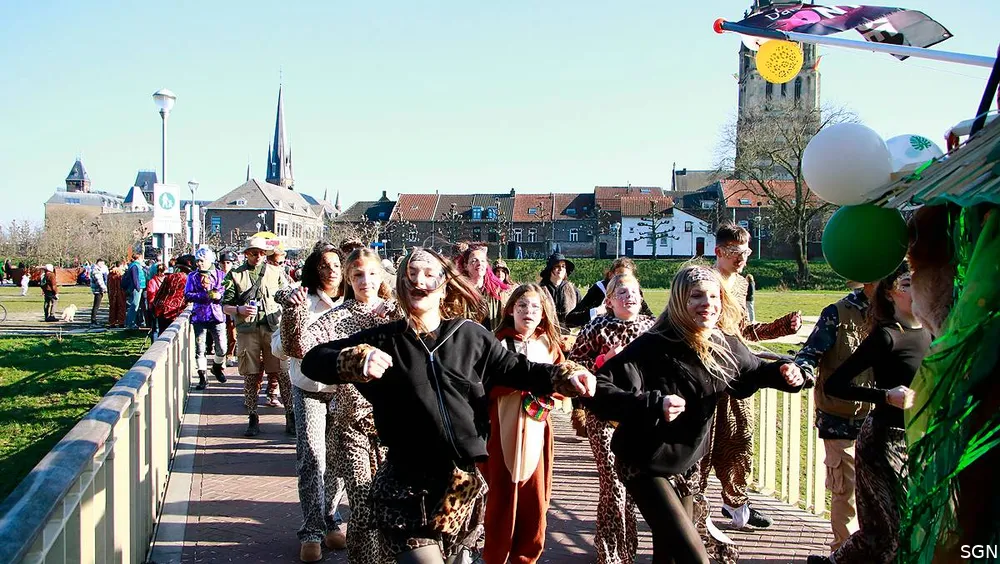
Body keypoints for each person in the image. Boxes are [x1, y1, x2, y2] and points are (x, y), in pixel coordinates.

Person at [299, 248, 596, 564]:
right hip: (405, 489)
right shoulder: (385, 340)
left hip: (460, 491)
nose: (419, 281)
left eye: (429, 275)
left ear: (443, 289)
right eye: (411, 275)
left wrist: (567, 375)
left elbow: (521, 370)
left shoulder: (470, 336)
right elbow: (313, 361)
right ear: (400, 288)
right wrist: (356, 359)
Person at [587, 265, 805, 563]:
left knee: (669, 556)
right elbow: (600, 387)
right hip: (644, 462)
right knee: (693, 557)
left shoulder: (723, 343)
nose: (707, 304)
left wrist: (786, 373)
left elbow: (754, 371)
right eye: (696, 296)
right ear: (680, 301)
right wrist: (653, 404)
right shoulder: (656, 344)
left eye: (714, 296)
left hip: (686, 465)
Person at [809, 264, 930, 564]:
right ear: (889, 293)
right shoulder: (887, 336)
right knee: (888, 531)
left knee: (913, 525)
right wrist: (885, 396)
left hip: (920, 439)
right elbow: (836, 384)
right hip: (884, 442)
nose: (915, 290)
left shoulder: (932, 332)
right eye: (906, 284)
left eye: (919, 282)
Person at [279, 246, 394, 563]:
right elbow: (298, 348)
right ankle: (339, 544)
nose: (366, 281)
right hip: (351, 423)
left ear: (381, 276)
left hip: (391, 426)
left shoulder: (396, 315)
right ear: (349, 278)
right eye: (358, 275)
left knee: (390, 501)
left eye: (372, 274)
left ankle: (381, 553)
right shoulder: (337, 317)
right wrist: (293, 312)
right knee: (362, 500)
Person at [702, 224, 802, 529]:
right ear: (719, 252)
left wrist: (780, 328)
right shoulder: (703, 281)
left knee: (740, 437)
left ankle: (736, 504)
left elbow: (743, 331)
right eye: (735, 252)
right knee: (701, 443)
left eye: (746, 252)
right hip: (705, 373)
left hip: (736, 373)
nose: (742, 258)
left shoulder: (743, 284)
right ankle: (690, 504)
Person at [569, 273, 655, 564]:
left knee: (630, 485)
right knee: (613, 484)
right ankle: (611, 554)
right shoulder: (596, 327)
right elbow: (574, 364)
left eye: (634, 292)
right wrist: (602, 361)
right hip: (603, 414)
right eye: (622, 292)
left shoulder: (651, 329)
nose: (629, 297)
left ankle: (626, 551)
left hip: (639, 416)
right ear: (609, 301)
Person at [481, 284, 563, 564]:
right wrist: (517, 384)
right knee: (501, 497)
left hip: (538, 430)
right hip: (502, 427)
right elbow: (482, 385)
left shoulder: (549, 345)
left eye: (535, 307)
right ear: (510, 310)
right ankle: (495, 555)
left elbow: (563, 383)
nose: (529, 312)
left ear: (544, 313)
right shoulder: (496, 343)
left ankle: (526, 557)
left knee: (535, 497)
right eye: (522, 306)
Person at [794, 280, 876, 551]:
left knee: (880, 493)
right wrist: (801, 373)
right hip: (840, 419)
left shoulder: (897, 314)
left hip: (881, 420)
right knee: (846, 491)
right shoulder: (837, 314)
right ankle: (844, 553)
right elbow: (809, 354)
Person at [223, 236, 291, 437]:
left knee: (282, 372)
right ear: (246, 254)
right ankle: (252, 417)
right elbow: (225, 306)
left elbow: (287, 294)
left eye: (262, 253)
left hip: (272, 328)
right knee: (250, 375)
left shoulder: (275, 272)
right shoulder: (235, 275)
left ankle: (290, 416)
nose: (258, 256)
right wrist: (239, 309)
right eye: (254, 253)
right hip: (247, 331)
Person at [565, 257, 654, 328]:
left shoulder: (633, 292)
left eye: (628, 277)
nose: (624, 281)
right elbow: (570, 320)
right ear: (611, 275)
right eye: (620, 276)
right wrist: (596, 311)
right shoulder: (599, 289)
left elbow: (650, 317)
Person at [185, 249, 229, 390]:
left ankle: (216, 367)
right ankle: (202, 377)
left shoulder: (221, 275)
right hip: (200, 316)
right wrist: (204, 296)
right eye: (197, 261)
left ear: (210, 260)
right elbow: (187, 294)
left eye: (202, 260)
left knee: (222, 347)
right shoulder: (192, 276)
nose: (199, 263)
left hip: (217, 316)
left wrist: (219, 296)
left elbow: (226, 293)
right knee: (200, 348)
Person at [456, 243, 511, 331]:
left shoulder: (498, 292)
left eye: (482, 261)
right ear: (466, 266)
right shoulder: (458, 293)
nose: (479, 264)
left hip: (490, 337)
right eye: (474, 260)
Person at [539, 252, 580, 332]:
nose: (561, 269)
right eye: (557, 266)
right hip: (544, 332)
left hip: (568, 333)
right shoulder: (540, 290)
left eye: (563, 266)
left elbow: (581, 312)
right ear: (550, 269)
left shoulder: (573, 291)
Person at [152, 255, 194, 333]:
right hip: (176, 312)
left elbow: (158, 295)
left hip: (162, 310)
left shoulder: (169, 277)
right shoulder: (189, 280)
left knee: (162, 334)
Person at [219, 251, 240, 367]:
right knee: (220, 335)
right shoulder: (216, 275)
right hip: (217, 309)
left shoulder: (236, 275)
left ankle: (230, 355)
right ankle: (220, 357)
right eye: (223, 262)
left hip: (232, 309)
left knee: (233, 334)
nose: (225, 265)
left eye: (228, 262)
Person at [124, 252, 147, 329]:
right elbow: (135, 278)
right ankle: (130, 323)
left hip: (138, 287)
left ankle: (133, 322)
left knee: (136, 305)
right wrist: (137, 287)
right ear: (138, 258)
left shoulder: (135, 265)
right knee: (134, 305)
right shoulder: (135, 266)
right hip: (136, 288)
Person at [146, 263, 166, 337]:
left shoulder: (166, 280)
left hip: (163, 307)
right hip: (155, 307)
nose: (163, 274)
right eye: (162, 272)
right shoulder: (152, 282)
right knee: (156, 327)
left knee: (161, 327)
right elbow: (151, 295)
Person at [107, 261, 127, 328]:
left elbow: (108, 284)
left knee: (112, 308)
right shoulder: (121, 274)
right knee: (121, 307)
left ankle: (112, 322)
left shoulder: (110, 274)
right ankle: (121, 322)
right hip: (120, 292)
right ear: (121, 265)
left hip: (112, 292)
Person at [90, 259, 109, 327]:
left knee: (96, 305)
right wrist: (105, 288)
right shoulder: (96, 270)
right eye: (102, 264)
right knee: (96, 306)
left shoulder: (96, 269)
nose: (103, 265)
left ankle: (94, 320)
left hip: (98, 289)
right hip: (97, 290)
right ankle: (93, 321)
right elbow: (99, 280)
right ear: (99, 263)